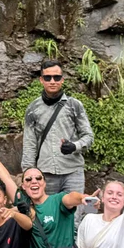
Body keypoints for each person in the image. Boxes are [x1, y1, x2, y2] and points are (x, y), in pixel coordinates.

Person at [20, 61, 94, 208]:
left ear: (62, 79)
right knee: (47, 216)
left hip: (73, 171)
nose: (52, 81)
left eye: (56, 77)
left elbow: (88, 136)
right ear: (41, 80)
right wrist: (28, 174)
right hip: (45, 174)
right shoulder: (33, 109)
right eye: (48, 78)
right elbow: (29, 144)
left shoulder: (74, 105)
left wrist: (74, 146)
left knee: (74, 218)